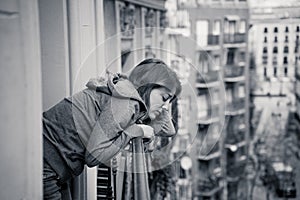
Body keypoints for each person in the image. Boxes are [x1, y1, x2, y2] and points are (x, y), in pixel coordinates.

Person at [43, 58, 181, 199]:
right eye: (164, 97)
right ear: (148, 86)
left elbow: (169, 130)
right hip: (46, 166)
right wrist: (135, 131)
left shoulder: (127, 93)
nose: (166, 105)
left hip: (53, 165)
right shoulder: (126, 102)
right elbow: (94, 156)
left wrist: (161, 106)